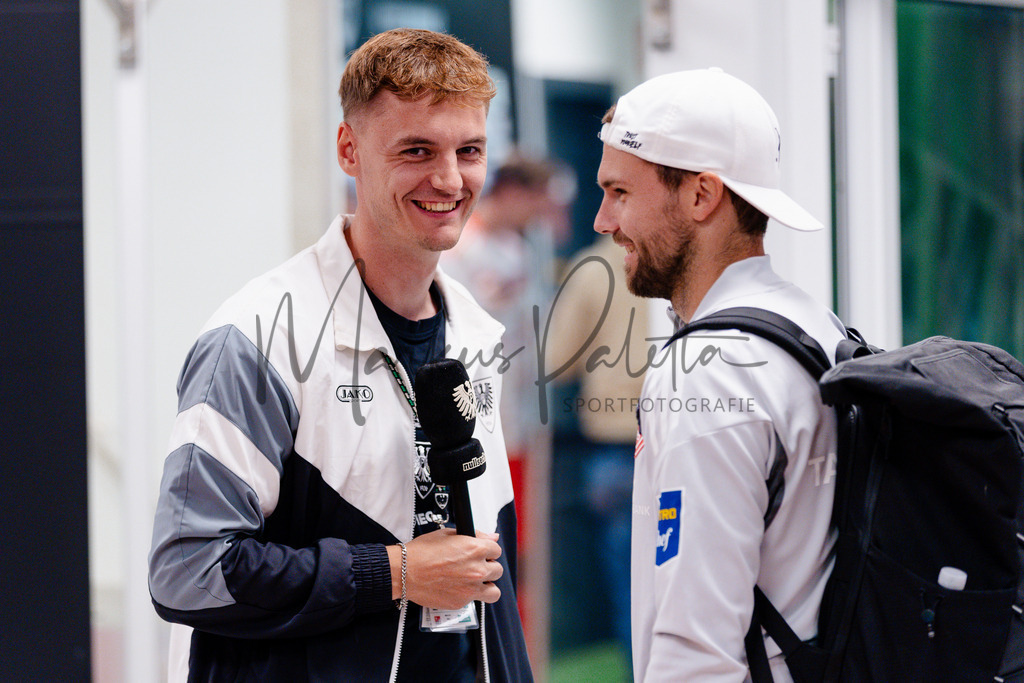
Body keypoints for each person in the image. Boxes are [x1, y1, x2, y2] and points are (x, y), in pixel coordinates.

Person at [147, 28, 532, 682]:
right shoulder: (259, 338)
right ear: (349, 150)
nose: (449, 179)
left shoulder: (475, 333)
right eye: (417, 150)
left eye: (469, 151)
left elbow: (484, 583)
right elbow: (188, 570)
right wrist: (395, 573)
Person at [593, 68, 846, 681]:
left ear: (702, 196)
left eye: (620, 192)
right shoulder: (816, 323)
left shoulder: (707, 372)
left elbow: (697, 652)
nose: (603, 220)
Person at [544, 233, 650, 671]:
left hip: (615, 443)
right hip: (680, 434)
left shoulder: (594, 268)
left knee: (630, 581)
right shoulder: (682, 255)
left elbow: (557, 359)